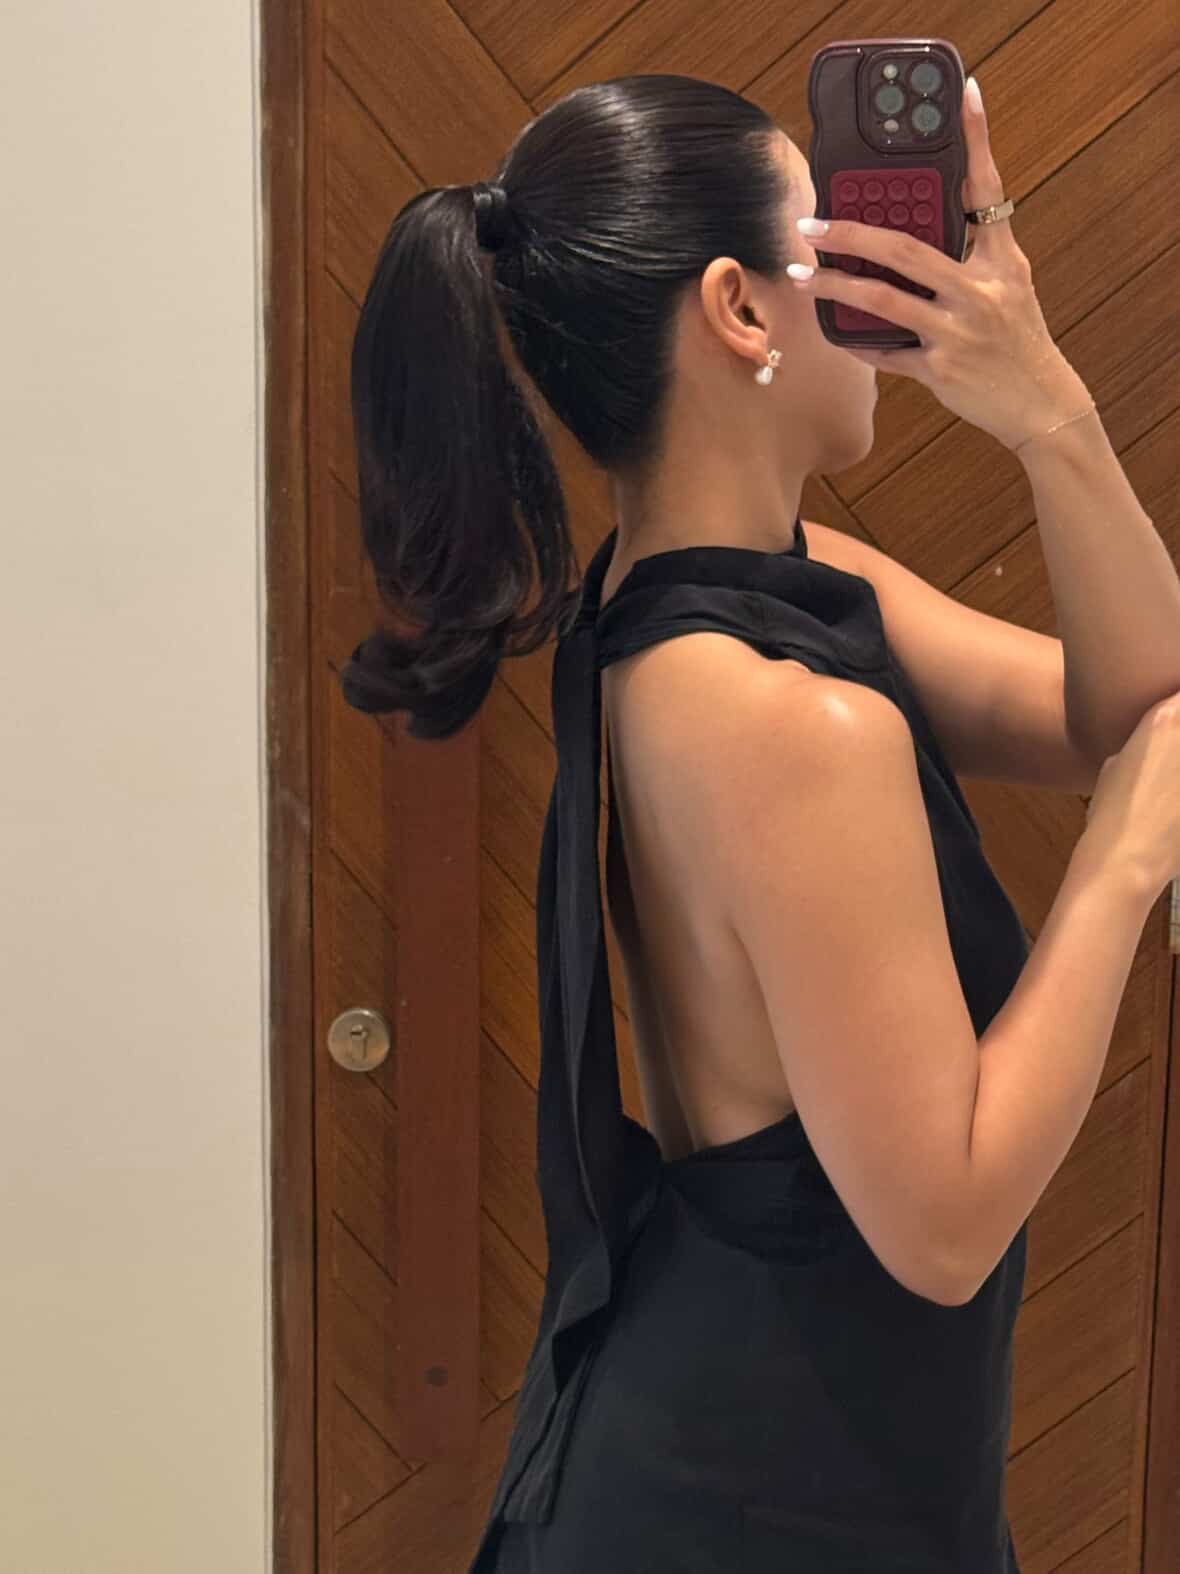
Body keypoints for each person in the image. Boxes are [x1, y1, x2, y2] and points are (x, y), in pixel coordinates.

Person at [341, 72, 1175, 1573]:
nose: (883, 268)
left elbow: (1133, 704)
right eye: (831, 233)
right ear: (738, 308)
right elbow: (943, 1223)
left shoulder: (695, 598)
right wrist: (1127, 859)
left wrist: (1050, 410)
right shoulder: (787, 724)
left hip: (755, 1453)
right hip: (759, 1502)